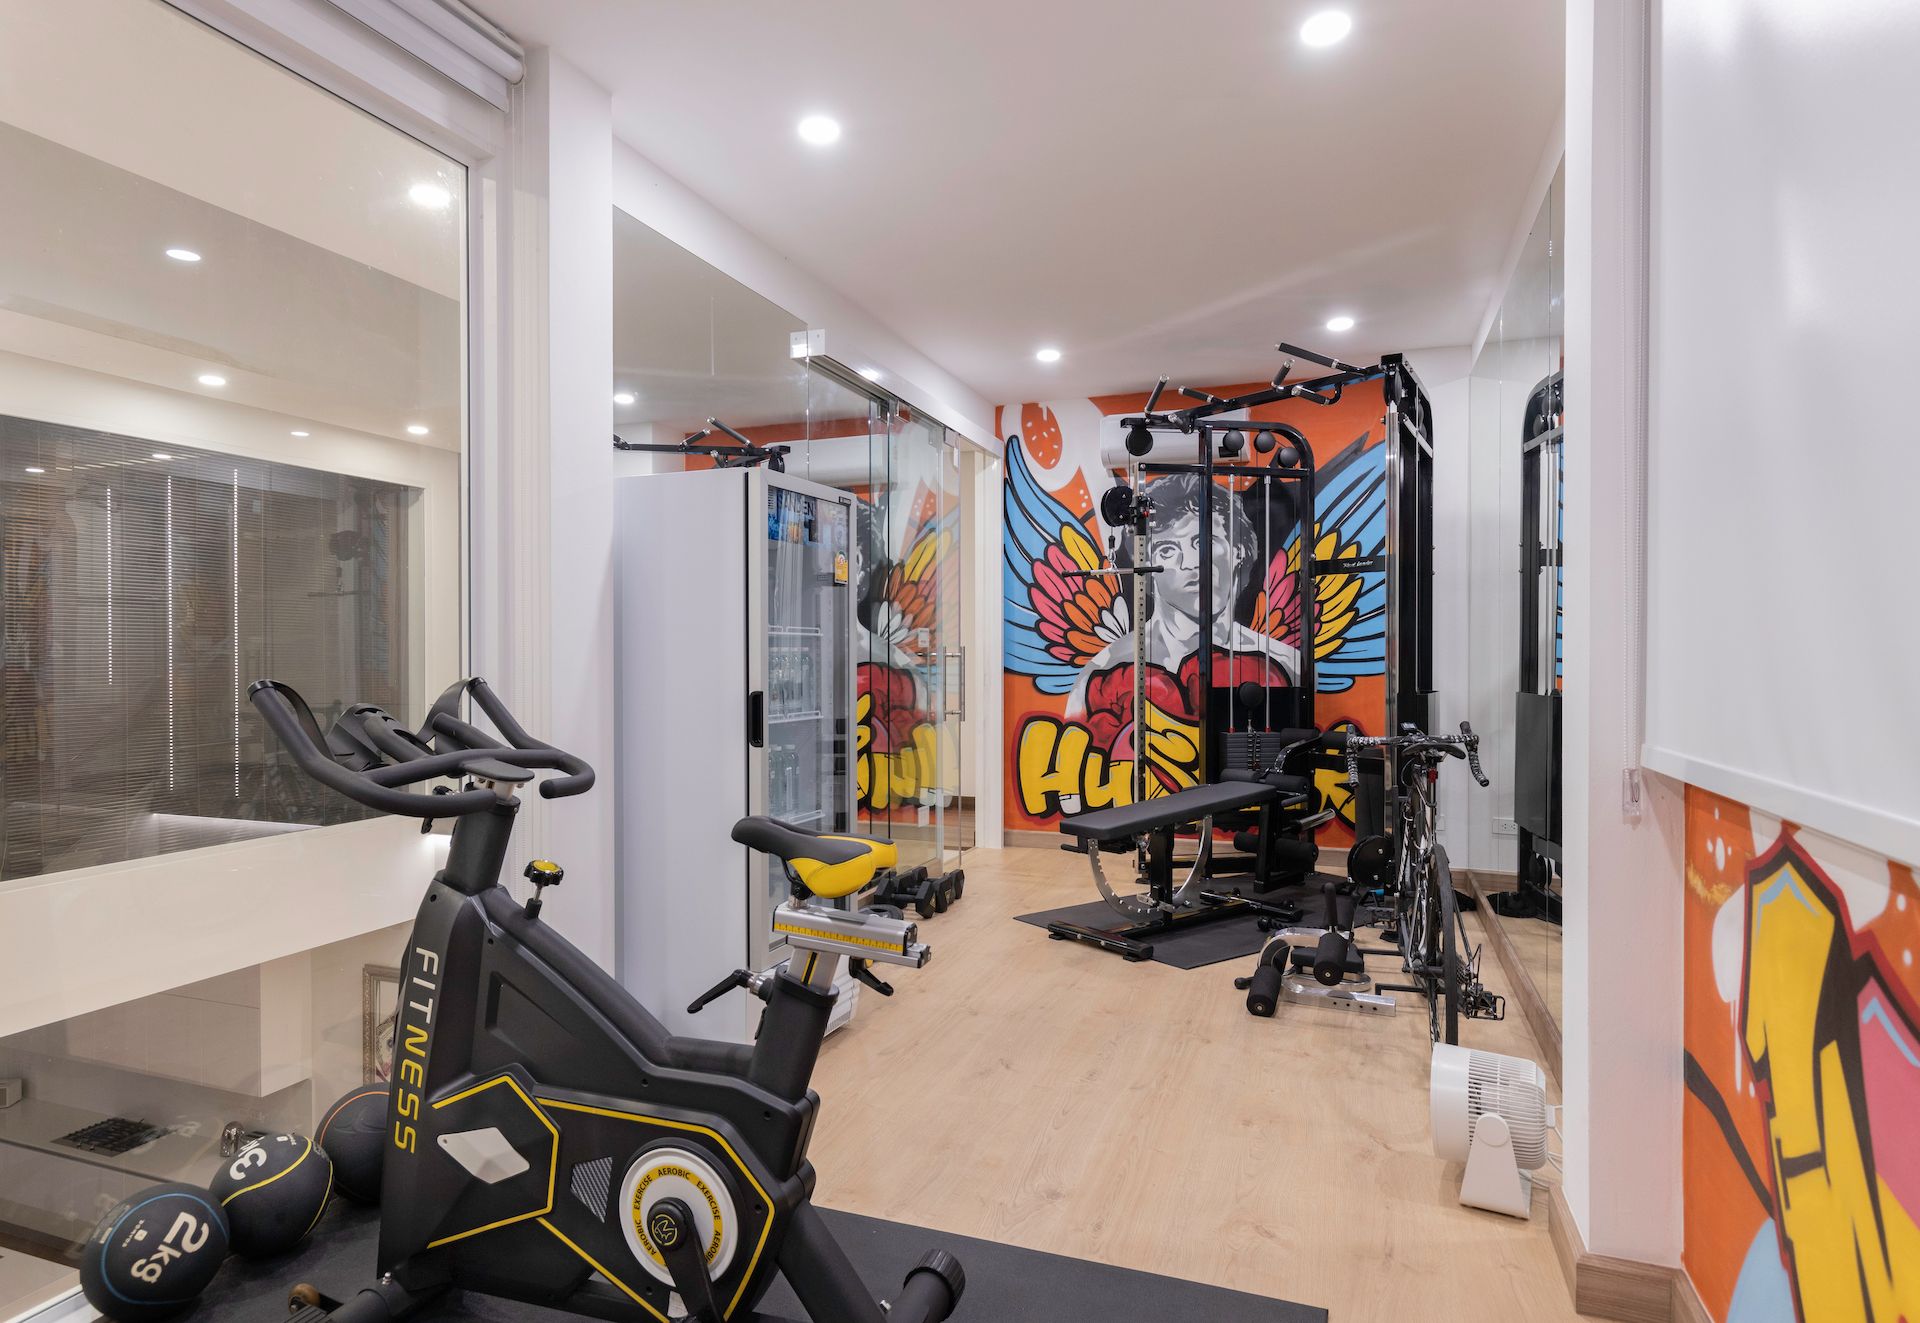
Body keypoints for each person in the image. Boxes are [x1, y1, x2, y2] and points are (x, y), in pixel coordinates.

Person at [1066, 471, 1298, 723]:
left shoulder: (1286, 665)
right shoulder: (1101, 673)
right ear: (1146, 562)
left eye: (1204, 542)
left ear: (1237, 549)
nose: (1190, 563)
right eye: (1167, 550)